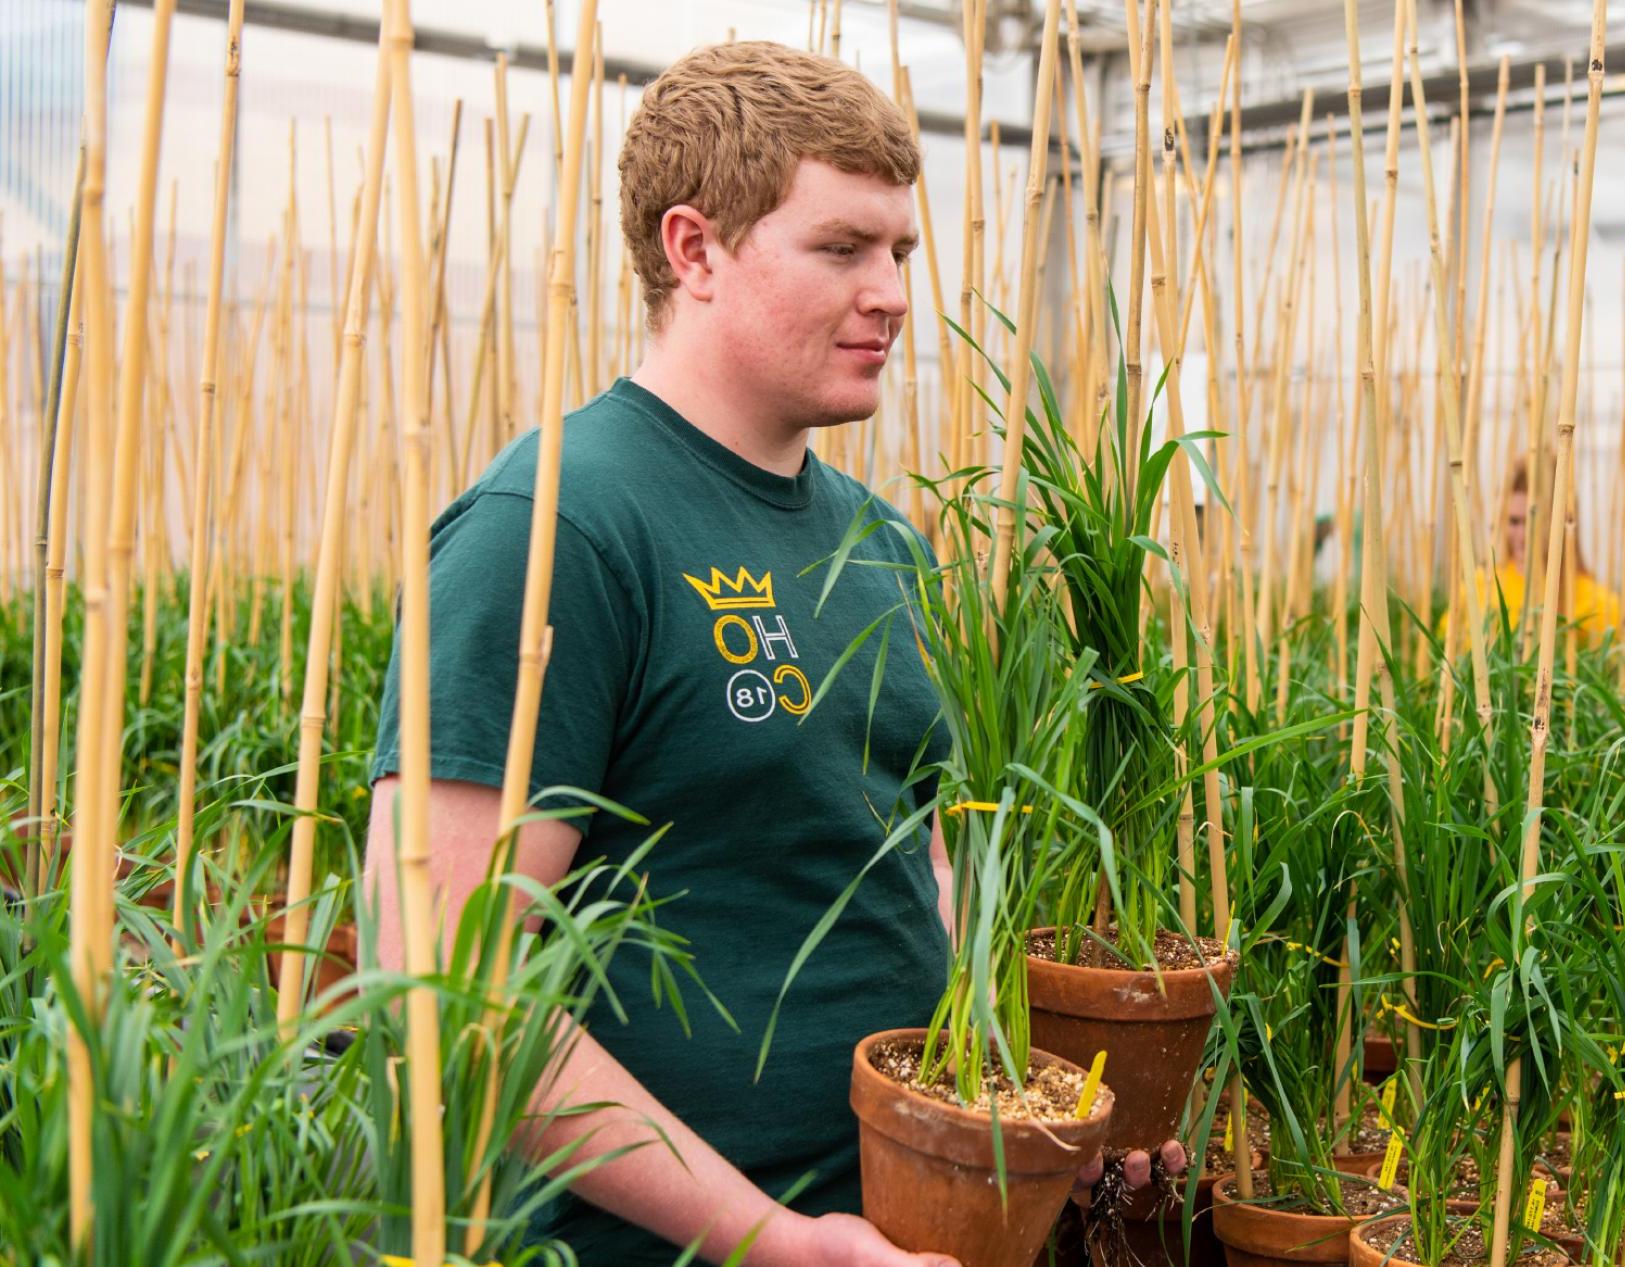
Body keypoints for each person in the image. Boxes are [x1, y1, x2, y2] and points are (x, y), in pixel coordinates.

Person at [362, 42, 1174, 1267]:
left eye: (900, 251)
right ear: (694, 250)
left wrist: (1040, 1103)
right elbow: (448, 988)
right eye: (842, 249)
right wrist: (774, 1240)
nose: (894, 291)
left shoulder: (886, 545)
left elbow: (922, 872)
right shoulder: (559, 527)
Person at [1483, 460, 1621, 638]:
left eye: (1534, 522)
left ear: (1563, 523)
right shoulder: (1482, 589)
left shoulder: (1599, 605)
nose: (1523, 535)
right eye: (1514, 521)